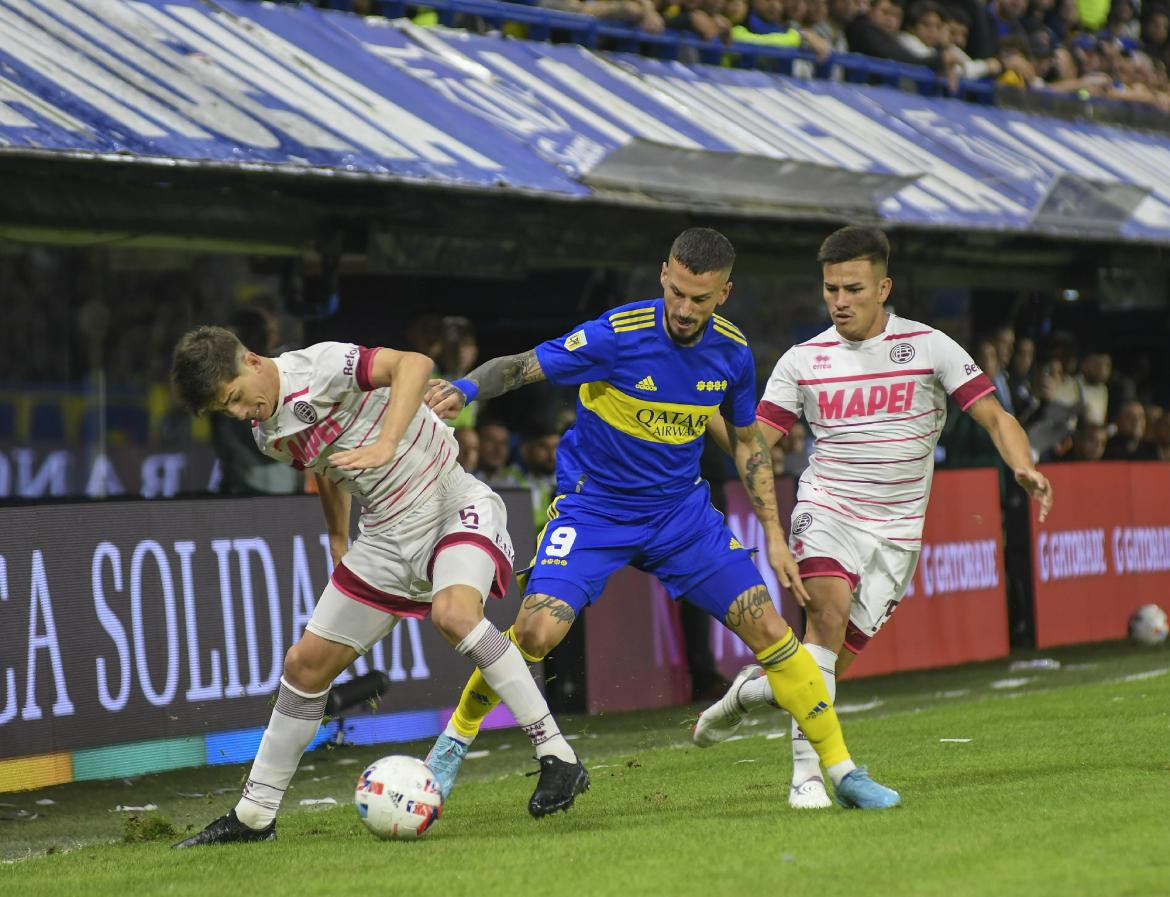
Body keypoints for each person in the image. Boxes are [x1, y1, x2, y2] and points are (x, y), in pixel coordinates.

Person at [422, 227, 901, 811]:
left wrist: (774, 533)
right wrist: (467, 387)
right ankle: (451, 745)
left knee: (772, 631)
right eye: (676, 292)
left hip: (682, 518)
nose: (683, 309)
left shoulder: (732, 352)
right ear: (664, 276)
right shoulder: (615, 336)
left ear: (723, 293)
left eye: (700, 299)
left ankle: (842, 770)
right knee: (533, 634)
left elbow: (747, 442)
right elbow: (524, 365)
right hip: (594, 511)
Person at [168, 326, 586, 847]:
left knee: (454, 614)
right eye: (222, 409)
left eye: (233, 398)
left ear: (252, 361)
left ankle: (557, 756)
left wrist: (385, 443)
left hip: (450, 504)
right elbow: (327, 468)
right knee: (304, 666)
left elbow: (412, 364)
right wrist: (338, 538)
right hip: (385, 538)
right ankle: (255, 815)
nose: (236, 413)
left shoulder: (319, 365)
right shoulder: (267, 435)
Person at [694, 226, 1053, 809]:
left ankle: (749, 695)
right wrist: (701, 409)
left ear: (883, 287)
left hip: (897, 534)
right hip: (826, 510)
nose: (839, 300)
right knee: (825, 619)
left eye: (853, 288)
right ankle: (808, 779)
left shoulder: (930, 347)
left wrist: (1022, 468)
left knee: (821, 667)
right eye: (831, 288)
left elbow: (994, 415)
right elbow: (755, 443)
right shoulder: (803, 360)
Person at [208, 307, 302, 496]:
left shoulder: (285, 368)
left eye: (272, 332)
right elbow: (226, 441)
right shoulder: (224, 384)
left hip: (287, 484)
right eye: (267, 332)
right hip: (243, 485)